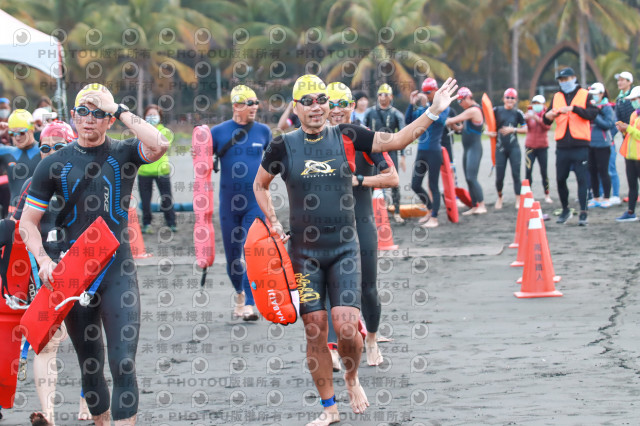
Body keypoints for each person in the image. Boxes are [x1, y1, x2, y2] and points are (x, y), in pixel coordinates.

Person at [254, 74, 458, 426]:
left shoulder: (348, 134)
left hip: (345, 248)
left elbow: (397, 139)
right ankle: (329, 408)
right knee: (315, 328)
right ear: (296, 107)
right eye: (308, 101)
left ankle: (351, 377)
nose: (317, 107)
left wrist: (433, 112)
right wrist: (272, 221)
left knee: (347, 327)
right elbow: (260, 184)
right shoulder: (282, 146)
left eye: (322, 99)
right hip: (305, 254)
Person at [20, 83, 169, 426]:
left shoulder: (124, 153)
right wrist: (43, 259)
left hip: (118, 270)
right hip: (74, 274)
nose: (90, 118)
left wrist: (118, 108)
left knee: (123, 363)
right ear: (74, 116)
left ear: (109, 119)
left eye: (99, 113)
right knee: (91, 366)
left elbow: (160, 144)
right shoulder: (53, 163)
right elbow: (28, 222)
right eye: (84, 111)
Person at [11, 121, 91, 426]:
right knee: (47, 341)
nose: (51, 152)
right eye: (45, 147)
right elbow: (19, 228)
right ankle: (48, 414)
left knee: (87, 340)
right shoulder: (32, 185)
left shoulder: (90, 179)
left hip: (83, 269)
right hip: (44, 270)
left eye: (59, 146)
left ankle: (86, 399)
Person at [324, 81, 399, 371]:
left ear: (353, 106)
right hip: (328, 227)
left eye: (343, 104)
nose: (337, 110)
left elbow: (392, 177)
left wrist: (359, 181)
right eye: (331, 104)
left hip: (361, 220)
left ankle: (372, 339)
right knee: (330, 288)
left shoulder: (364, 137)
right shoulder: (313, 140)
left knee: (367, 288)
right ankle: (332, 350)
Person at [211, 85, 272, 321]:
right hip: (228, 205)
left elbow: (275, 162)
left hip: (254, 203)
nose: (255, 107)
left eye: (256, 102)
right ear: (236, 106)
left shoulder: (263, 132)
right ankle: (239, 293)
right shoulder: (218, 132)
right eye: (249, 103)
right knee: (233, 255)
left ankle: (249, 303)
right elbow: (202, 164)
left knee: (252, 251)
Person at [543, 67, 598, 226]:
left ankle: (583, 212)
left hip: (580, 144)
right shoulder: (557, 96)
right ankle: (565, 209)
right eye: (561, 80)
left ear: (574, 78)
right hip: (562, 145)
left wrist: (574, 109)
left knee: (582, 179)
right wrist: (548, 116)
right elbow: (546, 120)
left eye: (566, 79)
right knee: (560, 179)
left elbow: (593, 113)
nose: (563, 82)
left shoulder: (585, 94)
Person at [405, 78, 450, 227]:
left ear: (436, 91)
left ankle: (435, 218)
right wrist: (412, 104)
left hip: (434, 152)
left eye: (428, 92)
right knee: (415, 184)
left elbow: (439, 121)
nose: (426, 95)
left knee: (433, 185)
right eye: (424, 92)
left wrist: (427, 107)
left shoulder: (443, 106)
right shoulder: (424, 109)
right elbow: (409, 121)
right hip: (422, 151)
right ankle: (430, 209)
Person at [364, 83, 406, 223]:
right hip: (373, 152)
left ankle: (397, 212)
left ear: (391, 97)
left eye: (385, 95)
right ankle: (369, 211)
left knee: (394, 183)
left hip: (390, 152)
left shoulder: (396, 114)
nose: (382, 97)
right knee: (371, 181)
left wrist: (403, 156)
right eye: (380, 95)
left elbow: (402, 136)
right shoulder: (370, 112)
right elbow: (362, 131)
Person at [445, 87, 487, 215]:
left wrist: (444, 118)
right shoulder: (468, 112)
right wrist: (452, 125)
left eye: (460, 101)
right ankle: (474, 205)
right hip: (467, 149)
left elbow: (453, 120)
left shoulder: (474, 110)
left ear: (468, 97)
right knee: (468, 179)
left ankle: (482, 205)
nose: (459, 104)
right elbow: (459, 129)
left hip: (475, 148)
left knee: (471, 177)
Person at [137, 104, 177, 233]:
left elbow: (161, 145)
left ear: (160, 117)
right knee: (145, 200)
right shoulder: (139, 130)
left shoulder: (165, 132)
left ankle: (171, 222)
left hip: (162, 170)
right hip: (144, 171)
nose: (151, 117)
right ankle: (147, 223)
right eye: (149, 115)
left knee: (166, 198)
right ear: (144, 116)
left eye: (154, 115)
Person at [488, 88, 527, 209]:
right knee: (499, 176)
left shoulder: (518, 113)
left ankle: (518, 199)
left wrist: (513, 129)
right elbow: (487, 125)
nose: (510, 100)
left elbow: (526, 129)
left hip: (514, 148)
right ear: (503, 99)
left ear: (516, 100)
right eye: (508, 97)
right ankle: (500, 197)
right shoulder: (496, 110)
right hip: (500, 149)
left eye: (512, 98)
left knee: (516, 175)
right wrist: (489, 133)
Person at [0, 109, 41, 215]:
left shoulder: (44, 150)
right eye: (12, 133)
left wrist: (46, 131)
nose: (17, 137)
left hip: (39, 216)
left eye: (21, 132)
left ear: (31, 129)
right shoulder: (7, 153)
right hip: (13, 216)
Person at [587, 83, 615, 209]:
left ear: (602, 94)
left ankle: (606, 198)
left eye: (596, 94)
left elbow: (608, 124)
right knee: (592, 171)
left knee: (603, 171)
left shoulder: (607, 108)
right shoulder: (590, 107)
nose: (593, 96)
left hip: (603, 144)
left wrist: (595, 115)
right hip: (589, 143)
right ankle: (596, 197)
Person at [615, 85, 640, 222]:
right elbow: (631, 134)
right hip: (630, 155)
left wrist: (628, 128)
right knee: (632, 185)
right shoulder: (634, 114)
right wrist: (623, 129)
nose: (632, 102)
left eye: (635, 99)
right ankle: (631, 212)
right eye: (631, 100)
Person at [610, 71, 635, 205]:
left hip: (636, 136)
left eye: (622, 80)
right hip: (626, 138)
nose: (619, 82)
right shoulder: (619, 99)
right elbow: (617, 119)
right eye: (618, 80)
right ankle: (634, 194)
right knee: (630, 169)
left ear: (629, 82)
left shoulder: (635, 97)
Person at [524, 95, 553, 203]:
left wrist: (537, 119)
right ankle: (528, 194)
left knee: (544, 171)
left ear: (543, 104)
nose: (536, 105)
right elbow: (525, 127)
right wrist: (526, 119)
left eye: (538, 103)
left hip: (542, 147)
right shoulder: (529, 113)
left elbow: (547, 127)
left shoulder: (546, 114)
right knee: (528, 171)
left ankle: (547, 194)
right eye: (534, 103)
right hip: (530, 146)